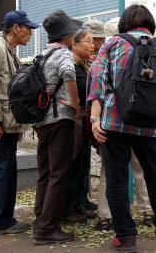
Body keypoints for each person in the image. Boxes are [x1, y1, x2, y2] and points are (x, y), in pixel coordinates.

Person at [87, 4, 156, 252]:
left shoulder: (112, 44)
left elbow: (96, 78)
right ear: (149, 24)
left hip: (114, 124)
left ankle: (126, 237)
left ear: (124, 24)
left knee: (117, 179)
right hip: (149, 126)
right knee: (155, 172)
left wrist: (95, 118)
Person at [0, 10, 39, 235]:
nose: (30, 33)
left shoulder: (8, 50)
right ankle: (1, 221)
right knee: (3, 170)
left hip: (5, 120)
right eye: (28, 29)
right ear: (16, 29)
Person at [95, 17, 153, 231]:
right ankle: (147, 211)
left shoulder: (105, 53)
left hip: (111, 120)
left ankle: (105, 216)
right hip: (138, 118)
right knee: (140, 167)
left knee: (109, 172)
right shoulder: (140, 52)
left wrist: (94, 119)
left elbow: (95, 88)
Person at [33, 10, 81, 245]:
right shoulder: (63, 53)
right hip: (60, 119)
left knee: (45, 172)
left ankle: (40, 218)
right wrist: (74, 102)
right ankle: (46, 229)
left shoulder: (42, 55)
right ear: (65, 34)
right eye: (72, 31)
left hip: (41, 121)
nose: (75, 34)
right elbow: (69, 73)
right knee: (59, 173)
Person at [63, 24, 97, 222]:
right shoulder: (69, 67)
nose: (92, 46)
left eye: (93, 41)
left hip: (83, 122)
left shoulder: (84, 65)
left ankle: (80, 201)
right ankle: (69, 207)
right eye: (88, 41)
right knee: (73, 163)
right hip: (73, 122)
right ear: (74, 44)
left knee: (83, 163)